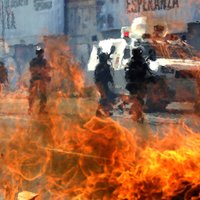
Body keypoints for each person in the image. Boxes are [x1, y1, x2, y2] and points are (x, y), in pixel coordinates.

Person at [124, 48, 150, 121]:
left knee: (138, 100)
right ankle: (137, 114)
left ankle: (136, 113)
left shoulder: (132, 61)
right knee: (139, 100)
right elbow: (143, 72)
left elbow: (128, 72)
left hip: (135, 83)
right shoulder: (138, 62)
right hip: (137, 84)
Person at [28, 46, 51, 114]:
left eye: (41, 53)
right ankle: (31, 109)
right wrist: (40, 71)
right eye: (40, 53)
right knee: (33, 95)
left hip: (40, 80)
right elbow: (31, 70)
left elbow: (47, 69)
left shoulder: (43, 61)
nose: (41, 55)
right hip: (36, 80)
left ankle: (41, 109)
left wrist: (45, 74)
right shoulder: (34, 61)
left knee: (43, 96)